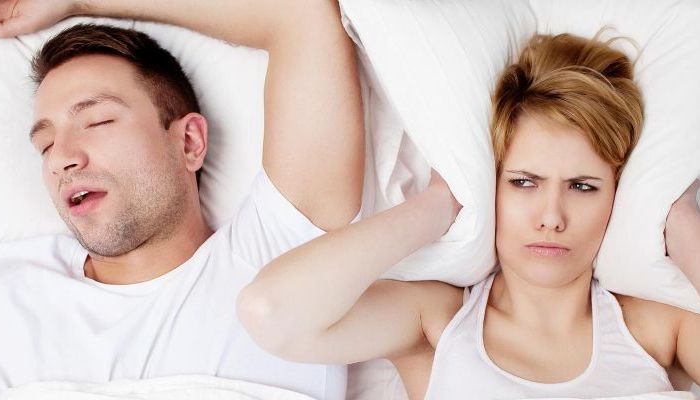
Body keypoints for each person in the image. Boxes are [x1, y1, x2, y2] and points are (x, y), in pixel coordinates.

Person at [237, 32, 700, 399]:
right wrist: (438, 205)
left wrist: (681, 225)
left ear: (616, 196)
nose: (551, 217)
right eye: (524, 182)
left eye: (582, 187)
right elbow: (270, 311)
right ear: (491, 185)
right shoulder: (438, 324)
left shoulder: (656, 332)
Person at [0, 0, 364, 399]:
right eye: (46, 144)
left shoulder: (279, 254)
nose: (61, 159)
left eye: (97, 121)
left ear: (189, 141)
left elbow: (301, 15)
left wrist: (78, 4)